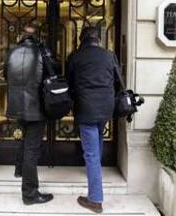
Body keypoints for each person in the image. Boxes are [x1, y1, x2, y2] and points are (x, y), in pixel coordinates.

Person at [66, 26, 116, 214]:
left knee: (91, 153)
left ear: (81, 39)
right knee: (97, 145)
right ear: (98, 39)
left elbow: (69, 83)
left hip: (86, 108)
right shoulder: (109, 55)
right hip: (106, 108)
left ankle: (95, 199)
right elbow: (117, 80)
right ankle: (96, 177)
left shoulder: (75, 56)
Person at [4, 25, 54, 205]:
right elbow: (52, 76)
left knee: (24, 141)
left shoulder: (11, 53)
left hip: (17, 105)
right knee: (31, 150)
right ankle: (30, 194)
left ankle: (19, 170)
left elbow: (5, 75)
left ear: (22, 36)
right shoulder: (42, 52)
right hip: (35, 108)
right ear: (37, 37)